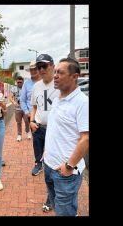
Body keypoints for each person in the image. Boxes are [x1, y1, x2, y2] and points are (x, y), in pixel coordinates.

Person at [43, 57, 89, 217]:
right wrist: (46, 152)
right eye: (55, 72)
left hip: (65, 173)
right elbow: (55, 129)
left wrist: (69, 166)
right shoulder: (58, 98)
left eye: (60, 73)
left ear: (75, 76)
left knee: (65, 212)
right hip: (49, 166)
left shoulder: (82, 103)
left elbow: (86, 138)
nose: (55, 75)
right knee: (59, 208)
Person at [30, 53, 57, 210]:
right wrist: (32, 121)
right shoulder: (36, 86)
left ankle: (51, 198)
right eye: (38, 67)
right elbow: (34, 106)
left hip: (55, 132)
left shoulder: (60, 84)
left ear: (52, 66)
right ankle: (52, 196)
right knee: (44, 165)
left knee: (51, 167)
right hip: (39, 129)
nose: (41, 70)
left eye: (44, 66)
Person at [19, 60, 40, 143]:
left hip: (45, 115)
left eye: (35, 69)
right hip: (32, 117)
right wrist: (27, 112)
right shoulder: (26, 84)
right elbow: (22, 100)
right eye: (31, 70)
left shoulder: (44, 82)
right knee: (36, 140)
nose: (33, 71)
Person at [10, 75, 29, 142]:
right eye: (18, 82)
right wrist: (13, 102)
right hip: (17, 109)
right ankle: (19, 135)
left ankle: (27, 131)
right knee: (18, 122)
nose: (19, 84)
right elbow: (11, 97)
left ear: (23, 82)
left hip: (25, 108)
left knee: (27, 121)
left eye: (20, 82)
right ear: (16, 82)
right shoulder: (13, 88)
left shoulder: (26, 88)